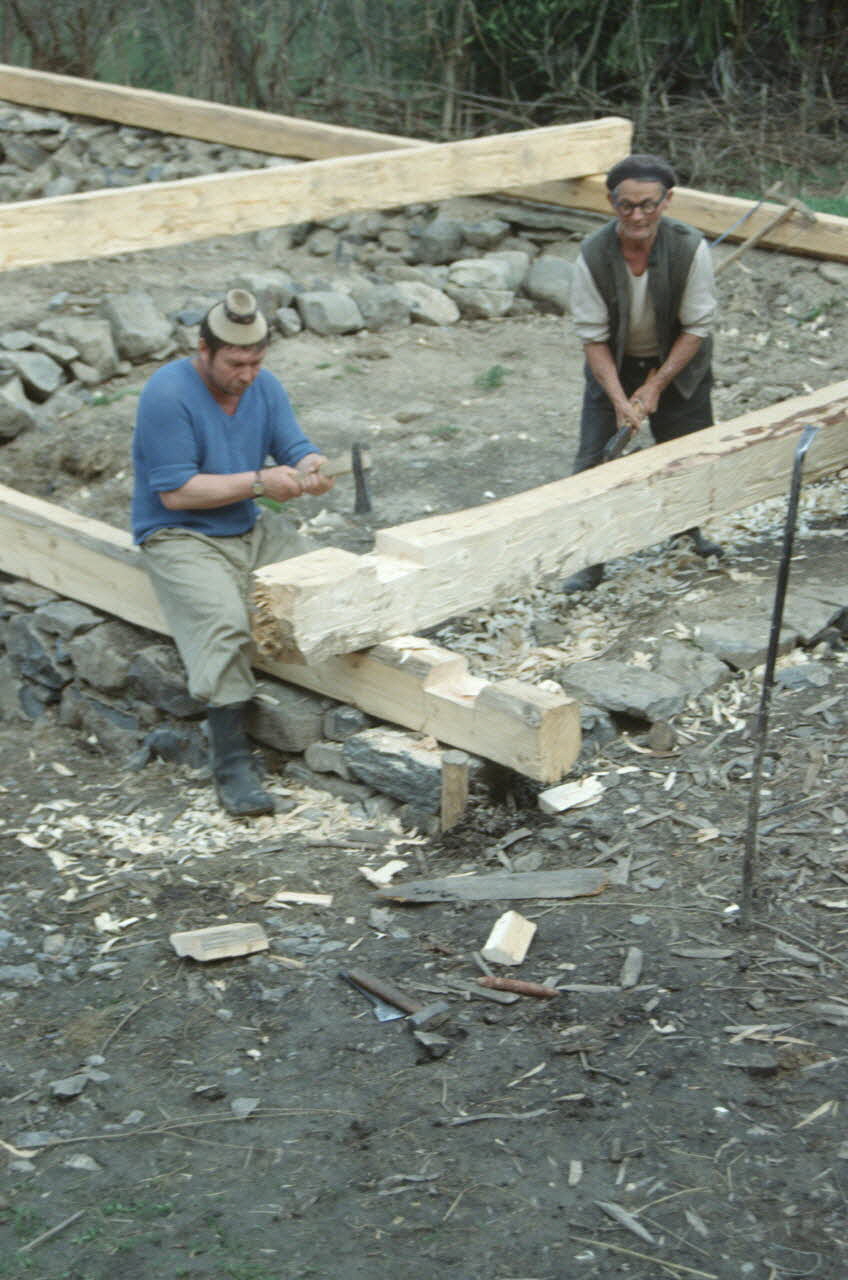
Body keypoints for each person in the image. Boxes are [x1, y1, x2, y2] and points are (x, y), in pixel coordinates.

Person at [132, 288, 334, 817]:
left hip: (247, 527)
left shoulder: (264, 387)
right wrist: (260, 483)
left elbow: (293, 446)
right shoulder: (167, 393)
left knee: (326, 582)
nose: (246, 375)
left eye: (255, 362)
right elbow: (176, 493)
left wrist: (311, 465)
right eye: (235, 364)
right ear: (204, 349)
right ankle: (232, 764)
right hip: (179, 533)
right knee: (224, 623)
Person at [563, 152, 722, 593]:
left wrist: (655, 386)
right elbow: (593, 337)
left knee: (687, 452)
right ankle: (590, 557)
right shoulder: (593, 254)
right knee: (595, 459)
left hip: (678, 363)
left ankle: (687, 534)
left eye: (648, 204)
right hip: (614, 364)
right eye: (627, 205)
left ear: (666, 201)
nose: (637, 216)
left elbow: (696, 327)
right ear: (612, 202)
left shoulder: (689, 247)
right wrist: (619, 398)